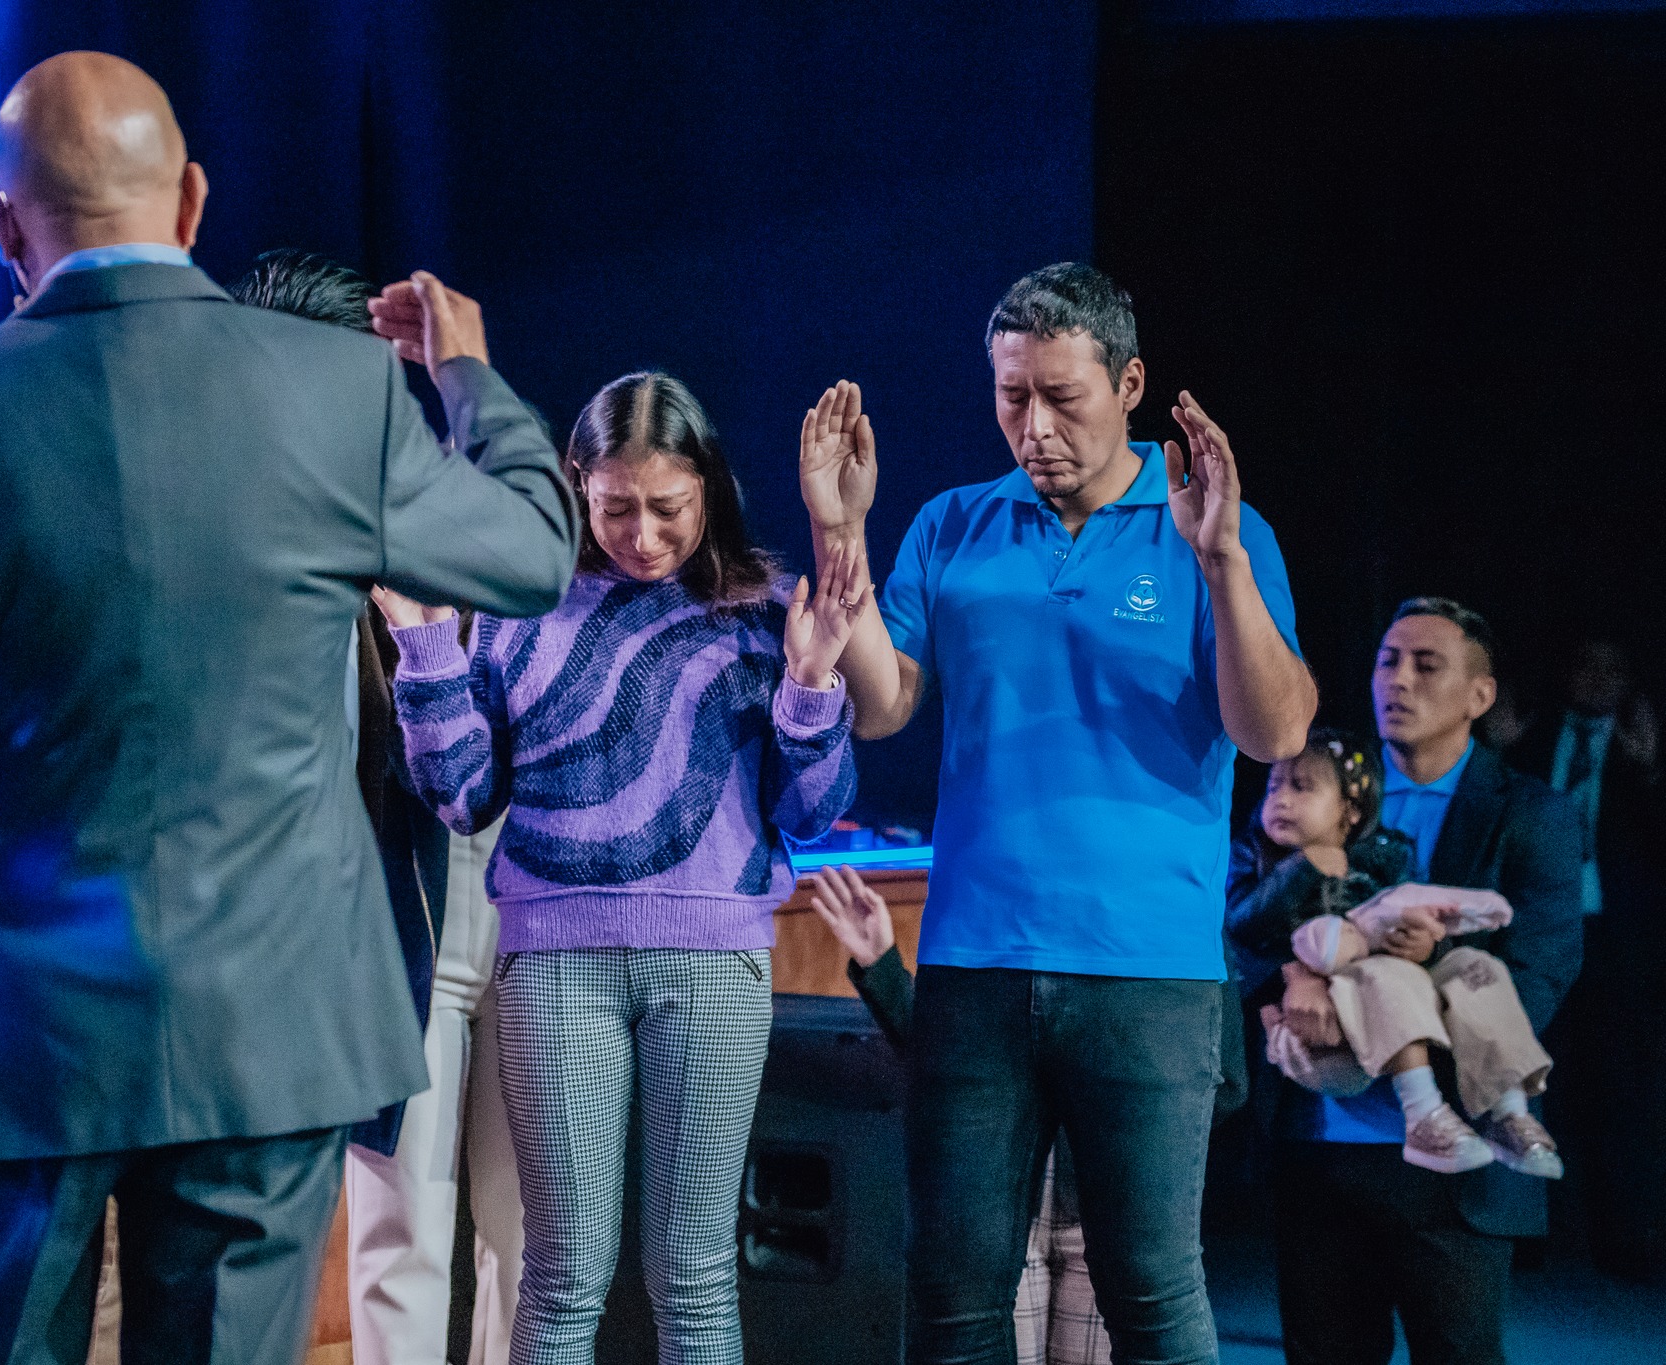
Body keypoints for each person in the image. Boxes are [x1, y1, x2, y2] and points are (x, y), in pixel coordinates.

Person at [0, 51, 577, 1364]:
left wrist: (8, 745)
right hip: (272, 1025)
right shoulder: (342, 395)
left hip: (25, 1024)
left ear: (1, 223)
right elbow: (535, 549)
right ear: (194, 200)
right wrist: (471, 383)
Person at [796, 263, 1314, 1364]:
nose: (1031, 427)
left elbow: (1273, 732)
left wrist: (1218, 562)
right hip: (974, 965)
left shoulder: (1212, 529)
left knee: (1150, 1293)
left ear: (1127, 385)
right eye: (1009, 396)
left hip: (1147, 970)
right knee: (952, 1292)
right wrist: (839, 532)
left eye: (1059, 398)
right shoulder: (951, 526)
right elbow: (879, 709)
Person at [373, 370, 861, 1364]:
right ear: (577, 491)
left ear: (707, 493)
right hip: (554, 965)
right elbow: (463, 798)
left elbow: (810, 811)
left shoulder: (759, 608)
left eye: (667, 509)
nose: (641, 534)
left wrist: (811, 686)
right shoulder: (521, 609)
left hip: (712, 967)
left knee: (694, 1281)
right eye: (615, 508)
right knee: (558, 1276)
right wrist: (423, 648)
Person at [231, 246, 526, 1365]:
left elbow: (524, 562)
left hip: (523, 907)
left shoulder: (430, 494)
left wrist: (471, 380)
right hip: (381, 933)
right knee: (400, 1230)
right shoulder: (243, 528)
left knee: (527, 1230)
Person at [1247, 599, 1582, 1365]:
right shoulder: (1314, 785)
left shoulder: (1534, 813)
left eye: (1426, 664)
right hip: (1323, 1144)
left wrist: (1394, 1016)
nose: (1397, 679)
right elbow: (1244, 921)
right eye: (1387, 660)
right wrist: (1294, 978)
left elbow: (1538, 974)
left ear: (1480, 695)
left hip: (1459, 1156)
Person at [806, 864, 1110, 1365]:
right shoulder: (1001, 918)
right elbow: (947, 1062)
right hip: (1008, 1204)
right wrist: (881, 965)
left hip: (1100, 1208)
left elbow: (1222, 1077)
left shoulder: (1146, 927)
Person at [1231, 729, 1562, 1177]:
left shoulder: (1381, 861)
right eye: (1274, 786)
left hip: (1379, 1018)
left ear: (1350, 812)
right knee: (1388, 974)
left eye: (1302, 787)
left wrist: (1426, 943)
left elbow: (1404, 918)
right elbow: (1241, 927)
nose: (1282, 799)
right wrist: (1302, 869)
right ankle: (1423, 1113)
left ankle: (1508, 1111)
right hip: (1322, 1042)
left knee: (1473, 967)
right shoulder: (1252, 859)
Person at [1506, 637, 1665, 1281]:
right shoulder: (1530, 732)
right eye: (1585, 662)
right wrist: (1502, 747)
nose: (1596, 675)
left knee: (1619, 1088)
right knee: (1528, 1080)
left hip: (1618, 942)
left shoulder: (1645, 740)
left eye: (1610, 663)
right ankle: (1528, 1230)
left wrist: (1652, 769)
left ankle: (1620, 1235)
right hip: (1535, 931)